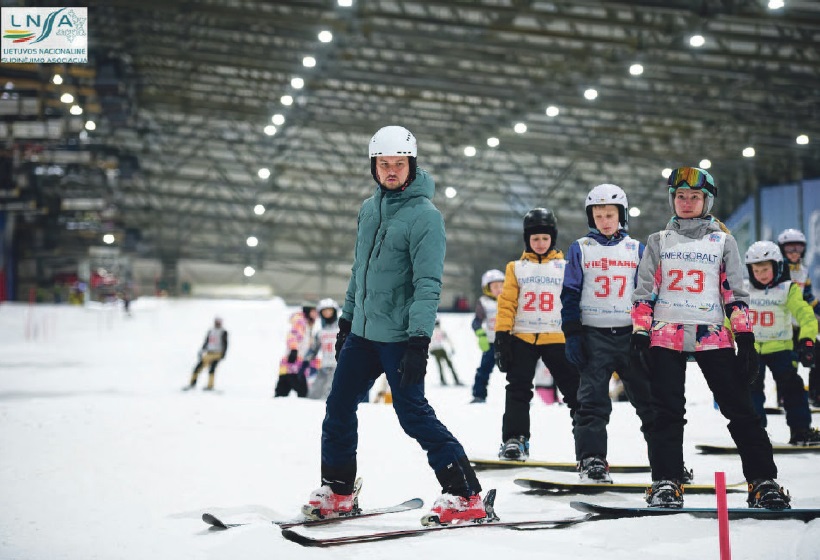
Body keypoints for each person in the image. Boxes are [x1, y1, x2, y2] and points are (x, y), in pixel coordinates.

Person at [303, 126, 485, 526]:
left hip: (401, 339)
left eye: (398, 164)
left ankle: (465, 493)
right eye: (383, 164)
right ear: (374, 166)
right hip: (364, 335)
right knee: (337, 408)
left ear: (411, 165)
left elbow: (427, 285)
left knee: (412, 415)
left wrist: (419, 342)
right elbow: (359, 273)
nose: (390, 170)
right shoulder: (369, 210)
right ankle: (338, 490)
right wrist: (347, 322)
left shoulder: (426, 217)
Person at [631, 166, 790, 509]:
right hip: (666, 335)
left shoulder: (722, 240)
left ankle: (763, 481)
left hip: (712, 335)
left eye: (695, 197)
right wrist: (641, 332)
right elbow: (644, 292)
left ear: (707, 201)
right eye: (680, 196)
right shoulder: (658, 241)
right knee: (666, 412)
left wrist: (745, 337)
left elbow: (734, 292)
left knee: (740, 408)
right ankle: (666, 481)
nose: (687, 202)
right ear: (673, 200)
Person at [561, 184, 656, 482]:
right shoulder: (581, 249)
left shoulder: (636, 249)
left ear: (621, 215)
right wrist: (573, 333)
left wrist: (648, 331)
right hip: (594, 336)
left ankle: (667, 463)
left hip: (631, 336)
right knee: (591, 402)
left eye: (610, 214)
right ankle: (591, 460)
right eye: (599, 215)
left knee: (650, 402)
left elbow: (648, 293)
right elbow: (570, 292)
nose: (604, 220)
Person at [493, 208, 580, 461]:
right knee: (517, 389)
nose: (540, 243)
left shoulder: (565, 267)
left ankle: (588, 448)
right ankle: (515, 439)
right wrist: (502, 336)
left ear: (552, 238)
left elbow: (575, 301)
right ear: (527, 240)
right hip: (523, 337)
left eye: (544, 238)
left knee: (575, 392)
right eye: (534, 239)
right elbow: (507, 303)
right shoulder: (516, 268)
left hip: (557, 337)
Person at [744, 240, 819, 443]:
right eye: (756, 270)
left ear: (777, 266)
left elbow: (806, 315)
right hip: (752, 351)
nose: (761, 274)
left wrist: (807, 340)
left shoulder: (788, 289)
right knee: (751, 393)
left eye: (766, 269)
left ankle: (801, 430)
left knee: (793, 388)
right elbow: (730, 315)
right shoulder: (743, 290)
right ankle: (756, 434)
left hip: (782, 349)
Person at [777, 228, 820, 407]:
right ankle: (785, 396)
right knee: (788, 361)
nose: (794, 253)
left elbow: (808, 297)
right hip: (782, 326)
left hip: (800, 326)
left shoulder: (803, 271)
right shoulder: (776, 269)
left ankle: (816, 395)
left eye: (798, 248)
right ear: (781, 250)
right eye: (790, 249)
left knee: (817, 354)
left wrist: (817, 311)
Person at [470, 269, 504, 403]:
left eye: (501, 285)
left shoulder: (511, 299)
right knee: (484, 369)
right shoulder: (484, 302)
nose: (499, 289)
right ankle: (479, 395)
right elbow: (476, 321)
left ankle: (521, 394)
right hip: (491, 342)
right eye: (495, 286)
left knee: (517, 370)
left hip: (509, 341)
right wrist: (481, 335)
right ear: (487, 288)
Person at [274, 302, 318, 398]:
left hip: (293, 364)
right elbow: (292, 335)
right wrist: (294, 350)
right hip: (294, 363)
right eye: (314, 311)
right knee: (303, 392)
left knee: (282, 390)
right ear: (308, 311)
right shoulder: (301, 321)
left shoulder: (307, 324)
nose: (316, 314)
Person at [306, 298, 341, 400]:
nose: (327, 313)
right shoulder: (320, 332)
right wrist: (306, 360)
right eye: (324, 311)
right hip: (324, 366)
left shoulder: (341, 330)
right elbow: (314, 350)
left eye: (330, 310)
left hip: (338, 366)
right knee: (314, 394)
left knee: (330, 393)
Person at [184, 317, 228, 391]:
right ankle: (192, 383)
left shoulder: (223, 332)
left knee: (212, 369)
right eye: (216, 322)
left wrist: (223, 353)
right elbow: (206, 341)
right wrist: (202, 350)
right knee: (197, 368)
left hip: (217, 353)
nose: (217, 323)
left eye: (219, 322)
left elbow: (225, 343)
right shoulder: (211, 331)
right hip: (208, 353)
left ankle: (210, 385)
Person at [430, 318, 462, 386]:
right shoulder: (440, 331)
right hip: (440, 349)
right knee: (449, 365)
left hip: (436, 350)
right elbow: (448, 339)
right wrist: (452, 348)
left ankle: (443, 380)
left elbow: (429, 342)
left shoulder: (432, 332)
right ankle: (455, 379)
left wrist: (430, 350)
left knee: (440, 366)